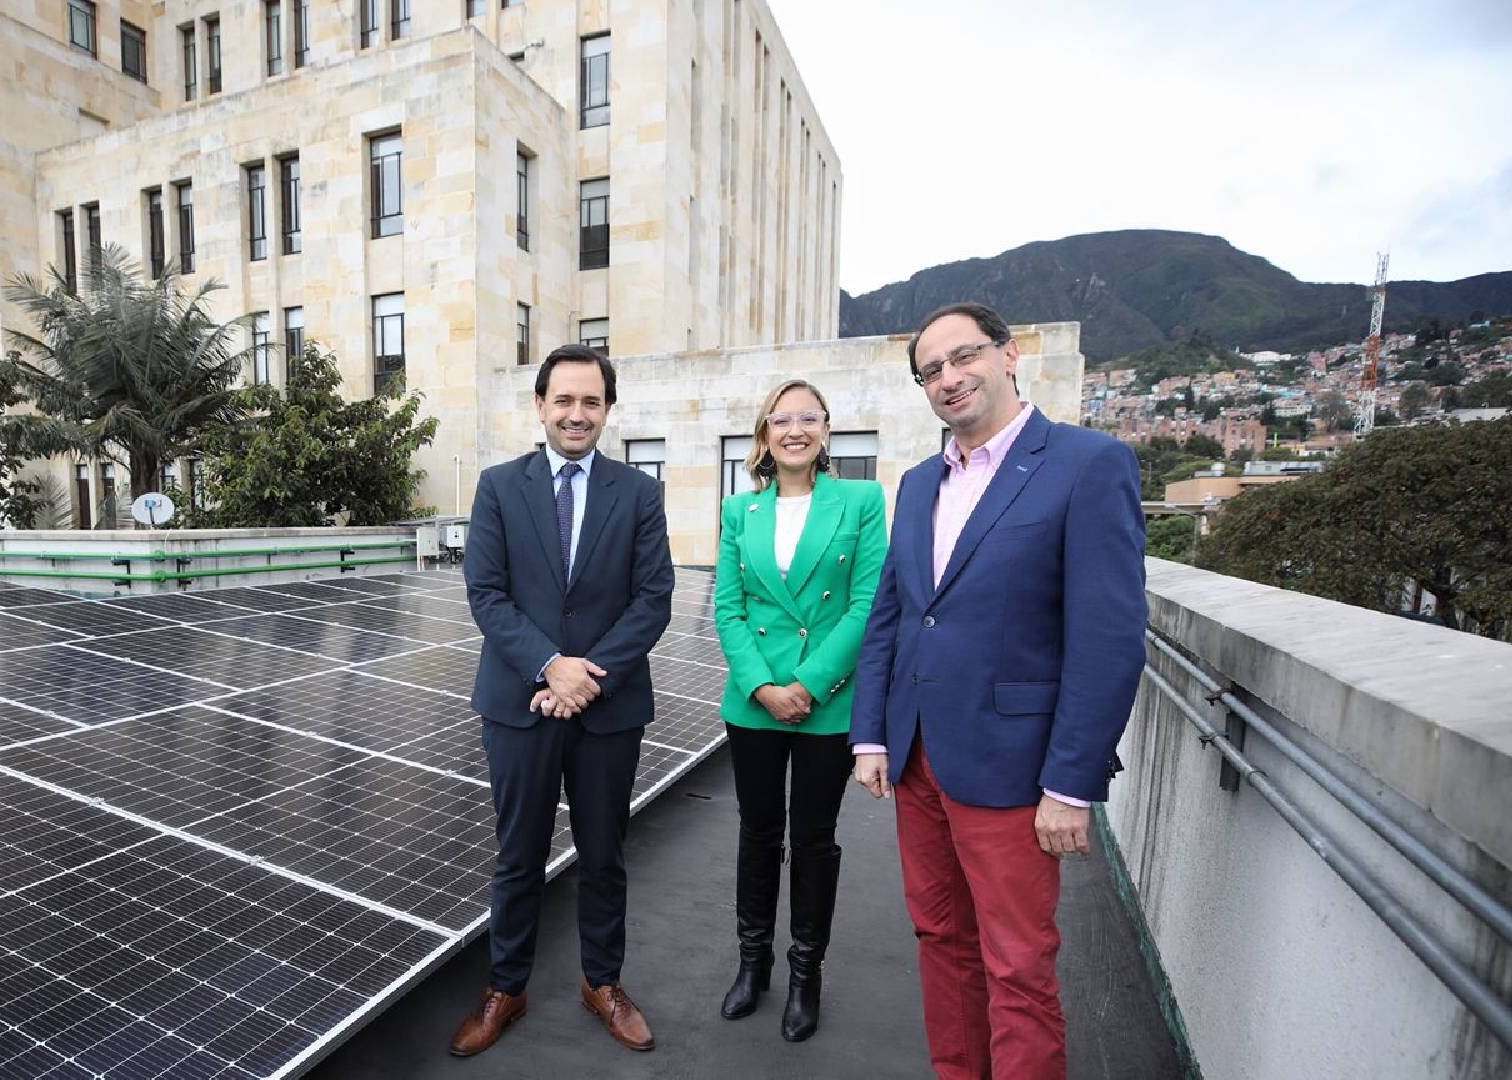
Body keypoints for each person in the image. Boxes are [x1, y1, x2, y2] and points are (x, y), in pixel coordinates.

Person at [850, 302, 1146, 1080]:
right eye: (931, 370)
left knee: (1017, 967)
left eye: (964, 357)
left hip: (1015, 772)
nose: (949, 378)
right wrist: (872, 735)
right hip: (916, 764)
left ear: (1010, 355)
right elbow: (895, 615)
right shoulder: (918, 483)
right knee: (941, 944)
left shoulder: (1088, 464)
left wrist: (1071, 784)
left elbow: (1108, 638)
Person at [452, 344, 675, 1058]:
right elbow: (486, 593)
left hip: (609, 709)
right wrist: (550, 668)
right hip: (518, 704)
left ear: (608, 410)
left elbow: (653, 600)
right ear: (540, 405)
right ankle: (506, 988)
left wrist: (585, 676)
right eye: (564, 400)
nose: (577, 414)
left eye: (591, 402)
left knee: (605, 854)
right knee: (517, 856)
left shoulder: (638, 494)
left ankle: (601, 983)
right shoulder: (496, 487)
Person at [711, 379, 887, 1041]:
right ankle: (751, 967)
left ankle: (805, 975)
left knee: (813, 842)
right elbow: (728, 609)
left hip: (829, 704)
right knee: (758, 835)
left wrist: (809, 685)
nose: (794, 429)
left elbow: (866, 603)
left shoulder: (862, 501)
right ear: (764, 436)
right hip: (753, 704)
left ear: (824, 431)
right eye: (780, 420)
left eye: (806, 418)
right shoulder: (739, 512)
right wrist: (762, 687)